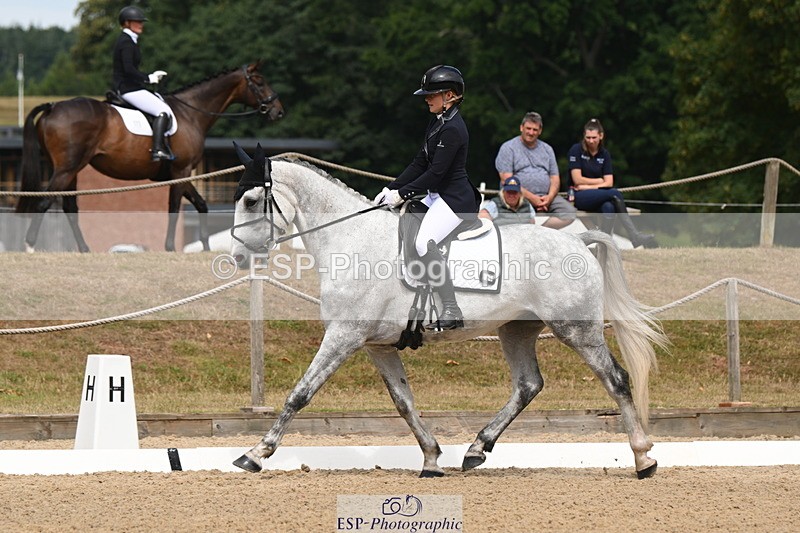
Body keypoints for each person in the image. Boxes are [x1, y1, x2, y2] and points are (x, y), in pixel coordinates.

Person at [374, 65, 480, 330]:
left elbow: (435, 173)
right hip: (437, 195)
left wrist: (403, 194)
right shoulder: (437, 122)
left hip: (455, 200)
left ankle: (452, 309)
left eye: (433, 94)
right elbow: (419, 162)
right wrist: (391, 188)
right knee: (403, 222)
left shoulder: (454, 128)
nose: (426, 98)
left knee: (423, 243)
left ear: (451, 96)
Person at [567, 118, 657, 248]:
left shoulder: (605, 154)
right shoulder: (576, 150)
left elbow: (609, 182)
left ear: (601, 136)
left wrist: (588, 185)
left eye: (594, 137)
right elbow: (577, 180)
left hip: (597, 195)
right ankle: (634, 235)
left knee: (609, 207)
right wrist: (599, 181)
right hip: (579, 196)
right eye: (588, 137)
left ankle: (605, 246)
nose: (591, 141)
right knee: (615, 193)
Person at [113, 5, 175, 161]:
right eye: (137, 22)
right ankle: (157, 149)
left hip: (131, 86)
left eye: (141, 22)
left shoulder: (129, 40)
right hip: (128, 89)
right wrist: (148, 78)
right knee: (164, 111)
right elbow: (128, 69)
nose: (141, 24)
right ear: (127, 23)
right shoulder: (126, 42)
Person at [495, 112, 577, 229]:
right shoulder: (508, 148)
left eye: (535, 129)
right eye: (528, 128)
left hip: (546, 197)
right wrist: (533, 198)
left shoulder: (547, 149)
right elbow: (506, 179)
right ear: (521, 127)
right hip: (516, 195)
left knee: (570, 213)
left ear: (540, 131)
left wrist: (549, 197)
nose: (531, 132)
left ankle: (540, 232)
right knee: (520, 221)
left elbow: (555, 178)